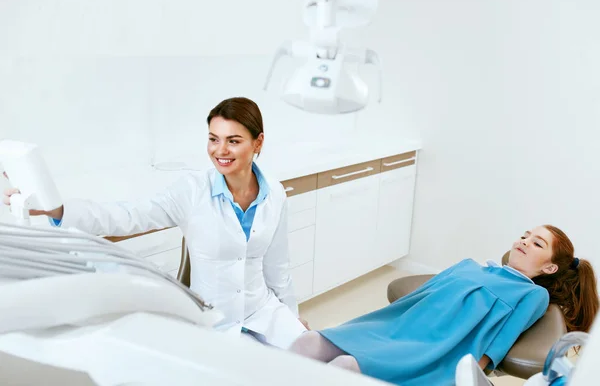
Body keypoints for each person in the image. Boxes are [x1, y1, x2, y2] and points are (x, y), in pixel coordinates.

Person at [2, 97, 309, 349]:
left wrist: (292, 319)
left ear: (258, 143)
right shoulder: (191, 192)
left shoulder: (275, 193)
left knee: (319, 362)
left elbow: (278, 269)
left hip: (264, 313)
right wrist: (56, 210)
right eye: (214, 139)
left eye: (233, 141)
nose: (220, 151)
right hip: (216, 323)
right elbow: (127, 215)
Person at [288, 225, 599, 385]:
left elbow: (500, 340)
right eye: (525, 235)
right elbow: (410, 304)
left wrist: (467, 374)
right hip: (394, 329)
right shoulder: (472, 266)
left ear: (549, 268)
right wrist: (351, 330)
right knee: (308, 342)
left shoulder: (532, 294)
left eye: (537, 243)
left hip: (430, 351)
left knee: (344, 367)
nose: (524, 242)